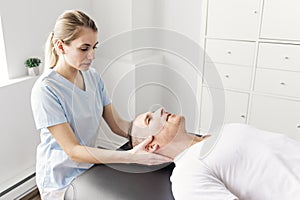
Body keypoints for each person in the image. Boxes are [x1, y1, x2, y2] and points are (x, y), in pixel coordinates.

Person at [30, 10, 171, 200]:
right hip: (60, 180)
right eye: (84, 48)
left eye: (94, 47)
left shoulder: (93, 77)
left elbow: (117, 124)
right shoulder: (46, 89)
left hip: (88, 168)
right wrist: (131, 156)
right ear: (61, 46)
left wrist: (151, 133)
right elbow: (73, 151)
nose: (92, 55)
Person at [130, 107, 300, 200]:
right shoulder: (187, 173)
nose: (160, 110)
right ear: (150, 146)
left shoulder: (221, 131)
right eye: (149, 119)